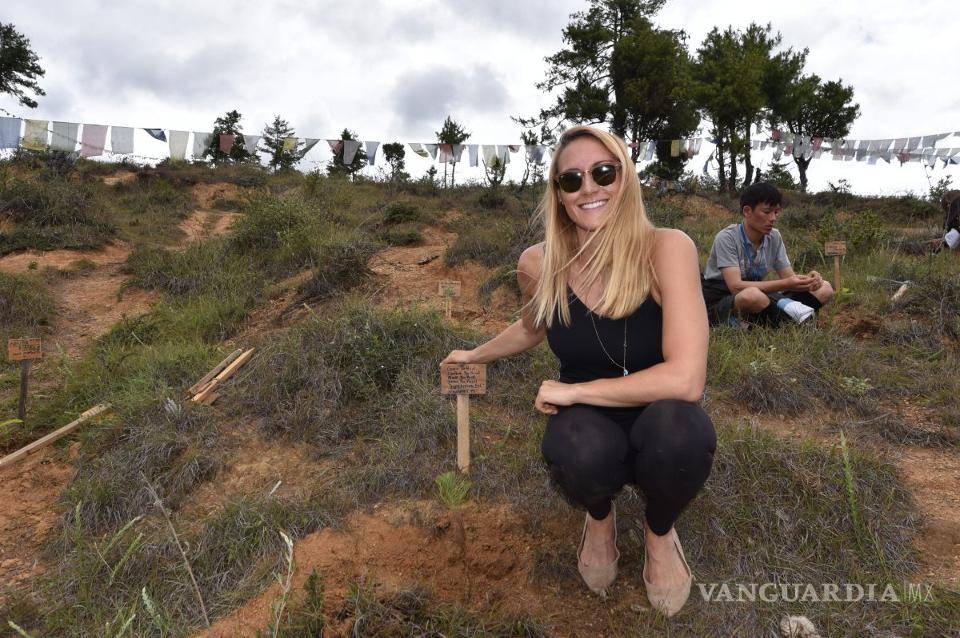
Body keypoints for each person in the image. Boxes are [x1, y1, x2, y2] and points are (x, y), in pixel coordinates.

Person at [441, 125, 716, 616]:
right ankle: (600, 518)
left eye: (602, 172)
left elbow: (686, 380)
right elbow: (531, 327)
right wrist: (474, 354)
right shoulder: (539, 262)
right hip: (586, 415)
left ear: (625, 178)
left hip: (660, 406)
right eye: (572, 180)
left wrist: (575, 391)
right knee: (574, 448)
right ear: (560, 195)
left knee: (682, 435)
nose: (589, 187)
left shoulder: (667, 248)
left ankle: (659, 533)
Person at [701, 182, 834, 327]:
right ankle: (791, 322)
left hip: (763, 296)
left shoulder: (774, 237)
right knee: (752, 296)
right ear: (747, 211)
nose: (773, 218)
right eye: (766, 212)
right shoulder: (727, 238)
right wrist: (787, 283)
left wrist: (808, 281)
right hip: (725, 297)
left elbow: (789, 278)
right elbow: (735, 287)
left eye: (776, 212)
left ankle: (777, 321)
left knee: (825, 288)